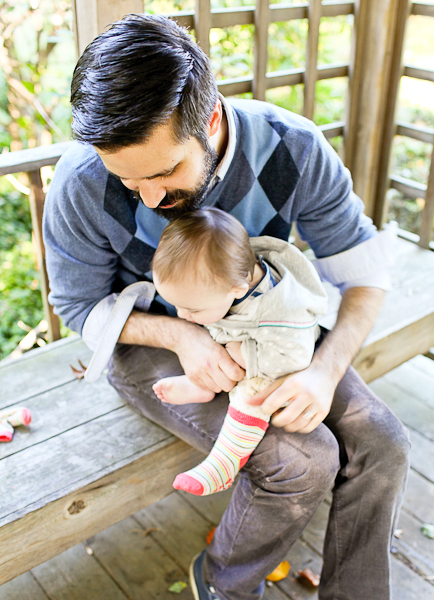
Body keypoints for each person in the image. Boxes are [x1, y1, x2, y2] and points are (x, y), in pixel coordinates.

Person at [43, 13, 410, 600]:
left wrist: (324, 370)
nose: (151, 197)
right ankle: (222, 585)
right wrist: (185, 337)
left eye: (165, 172)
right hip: (148, 341)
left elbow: (365, 274)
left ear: (210, 119)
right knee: (303, 461)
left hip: (270, 325)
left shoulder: (294, 147)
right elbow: (80, 307)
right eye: (128, 180)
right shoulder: (80, 183)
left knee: (384, 442)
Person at [150, 207, 328, 496]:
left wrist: (242, 353)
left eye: (192, 308)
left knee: (252, 394)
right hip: (238, 328)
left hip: (279, 356)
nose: (182, 315)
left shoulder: (284, 314)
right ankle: (203, 384)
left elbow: (295, 357)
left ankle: (224, 463)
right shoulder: (222, 280)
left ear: (236, 289)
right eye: (178, 305)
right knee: (209, 344)